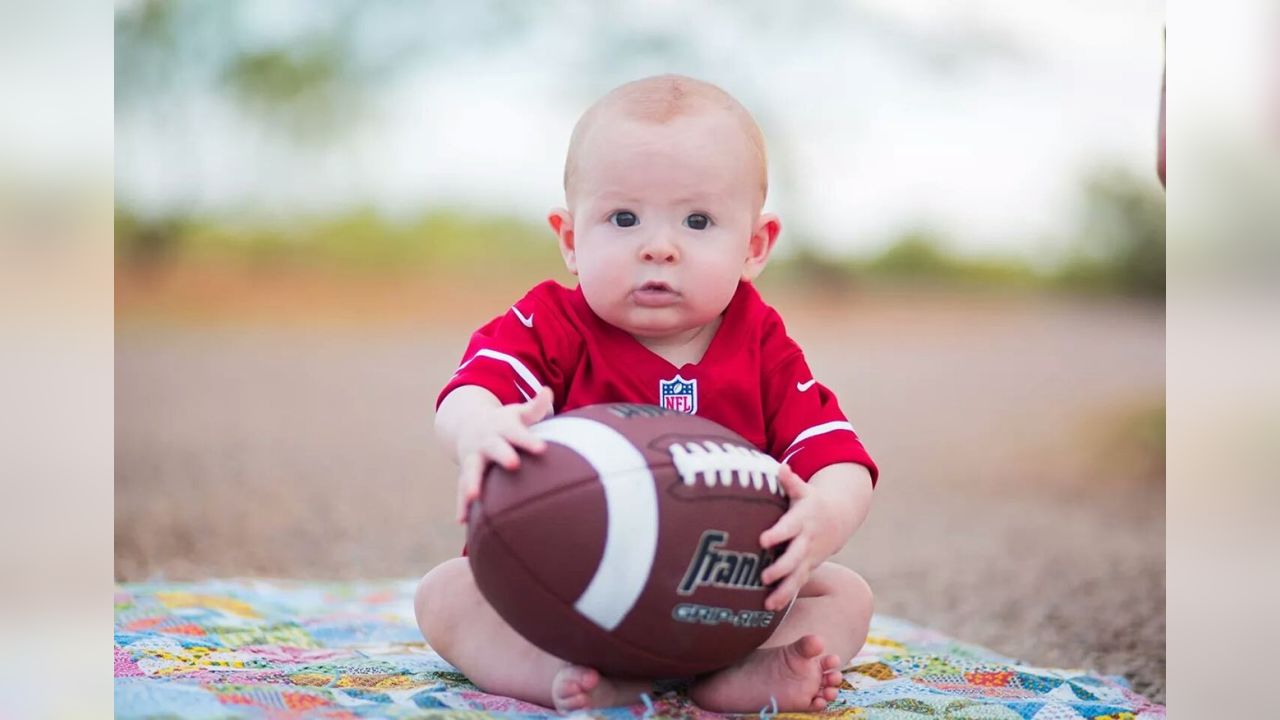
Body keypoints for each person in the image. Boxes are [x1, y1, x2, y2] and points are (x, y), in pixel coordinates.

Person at [416, 74, 879, 714]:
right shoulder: (550, 322)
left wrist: (824, 516)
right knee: (445, 592)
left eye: (697, 221)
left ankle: (739, 675)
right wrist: (480, 430)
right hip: (562, 589)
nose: (658, 248)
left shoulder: (761, 343)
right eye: (624, 218)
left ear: (754, 246)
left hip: (719, 591)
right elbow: (472, 390)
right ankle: (556, 674)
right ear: (572, 239)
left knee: (845, 594)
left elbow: (837, 457)